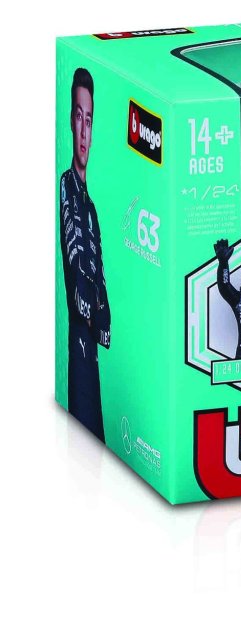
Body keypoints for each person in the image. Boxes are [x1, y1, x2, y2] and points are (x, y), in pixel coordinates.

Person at [59, 68, 111, 440]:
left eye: (89, 120)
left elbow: (99, 267)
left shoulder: (91, 207)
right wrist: (88, 308)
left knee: (95, 417)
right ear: (70, 121)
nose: (83, 131)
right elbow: (74, 250)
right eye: (78, 117)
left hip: (92, 329)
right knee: (82, 413)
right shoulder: (66, 185)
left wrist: (103, 317)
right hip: (80, 326)